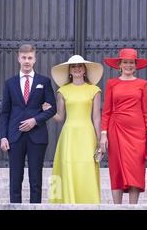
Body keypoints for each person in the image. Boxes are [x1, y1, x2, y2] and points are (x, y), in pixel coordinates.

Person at [0, 44, 56, 203]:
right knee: (15, 180)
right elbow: (4, 112)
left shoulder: (44, 82)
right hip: (14, 137)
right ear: (18, 58)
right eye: (24, 58)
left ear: (35, 59)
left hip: (37, 137)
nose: (26, 61)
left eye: (30, 58)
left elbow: (52, 108)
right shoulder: (9, 83)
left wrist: (35, 120)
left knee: (35, 180)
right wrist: (3, 136)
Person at [100, 48, 147, 204]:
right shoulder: (112, 83)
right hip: (116, 130)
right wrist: (103, 133)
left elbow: (146, 111)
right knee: (116, 167)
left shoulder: (142, 84)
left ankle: (133, 207)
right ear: (120, 64)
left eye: (131, 62)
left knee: (136, 169)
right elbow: (106, 111)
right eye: (125, 62)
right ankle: (116, 207)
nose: (128, 65)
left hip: (138, 133)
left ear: (136, 65)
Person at [45, 55, 103, 204]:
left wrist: (100, 140)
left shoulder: (94, 90)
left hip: (87, 134)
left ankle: (89, 203)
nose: (77, 68)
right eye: (73, 66)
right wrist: (48, 111)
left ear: (85, 70)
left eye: (80, 66)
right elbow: (59, 117)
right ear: (69, 71)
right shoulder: (62, 91)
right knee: (68, 167)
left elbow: (96, 117)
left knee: (86, 169)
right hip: (69, 135)